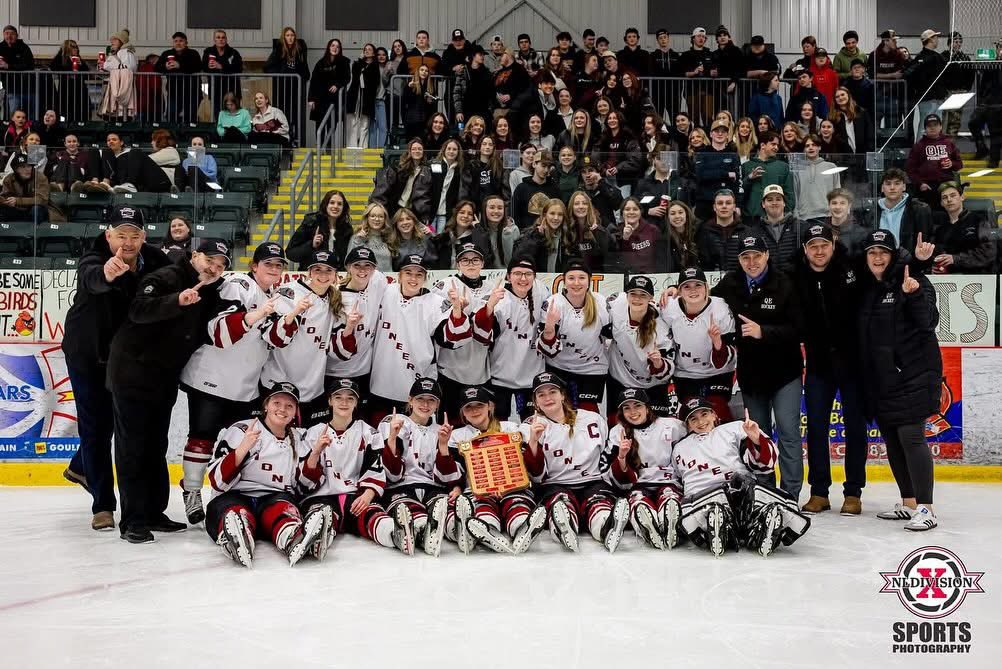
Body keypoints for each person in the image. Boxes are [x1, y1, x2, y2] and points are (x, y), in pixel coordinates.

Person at [107, 239, 230, 543]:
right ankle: (133, 520)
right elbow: (137, 309)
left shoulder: (212, 290)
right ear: (195, 255)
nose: (214, 268)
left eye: (221, 264)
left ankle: (153, 512)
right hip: (132, 374)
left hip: (163, 379)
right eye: (209, 260)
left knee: (154, 446)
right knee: (132, 448)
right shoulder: (165, 278)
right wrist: (176, 300)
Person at [60, 206, 170, 531]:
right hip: (88, 356)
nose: (128, 241)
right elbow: (92, 278)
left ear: (143, 236)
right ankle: (103, 505)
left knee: (126, 426)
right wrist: (108, 273)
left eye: (134, 234)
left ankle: (82, 466)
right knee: (97, 427)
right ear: (108, 235)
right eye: (121, 234)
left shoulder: (155, 259)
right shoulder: (94, 257)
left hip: (126, 358)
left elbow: (178, 279)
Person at [177, 242, 292, 524]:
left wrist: (290, 318)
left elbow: (275, 339)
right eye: (268, 264)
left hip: (246, 385)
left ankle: (232, 494)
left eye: (278, 265)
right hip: (211, 378)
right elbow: (220, 333)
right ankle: (192, 490)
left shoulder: (275, 296)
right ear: (254, 266)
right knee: (202, 436)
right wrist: (256, 315)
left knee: (241, 443)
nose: (274, 270)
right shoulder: (238, 284)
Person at [858, 230, 942, 530]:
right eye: (872, 252)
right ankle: (908, 503)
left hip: (914, 372)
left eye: (883, 251)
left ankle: (926, 507)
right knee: (892, 439)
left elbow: (929, 321)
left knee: (911, 437)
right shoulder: (871, 288)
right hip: (883, 378)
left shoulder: (912, 279)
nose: (878, 257)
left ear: (893, 255)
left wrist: (915, 293)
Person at [713, 235, 805, 500]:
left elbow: (799, 328)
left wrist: (763, 331)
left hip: (785, 373)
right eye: (745, 257)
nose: (751, 262)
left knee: (788, 433)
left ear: (767, 255)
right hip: (752, 376)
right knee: (757, 437)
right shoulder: (731, 283)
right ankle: (764, 492)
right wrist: (674, 291)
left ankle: (790, 494)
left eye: (756, 255)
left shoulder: (785, 283)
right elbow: (704, 301)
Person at [205, 382, 325, 567]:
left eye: (289, 406)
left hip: (274, 498)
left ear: (295, 412)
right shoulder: (242, 429)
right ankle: (237, 533)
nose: (282, 409)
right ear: (266, 405)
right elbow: (216, 481)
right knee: (233, 512)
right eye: (277, 403)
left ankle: (291, 535)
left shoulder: (299, 438)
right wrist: (243, 449)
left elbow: (304, 488)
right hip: (234, 496)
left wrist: (315, 455)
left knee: (283, 510)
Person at [673, 398, 810, 557]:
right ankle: (725, 528)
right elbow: (677, 481)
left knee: (757, 492)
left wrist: (756, 440)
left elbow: (765, 466)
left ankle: (760, 528)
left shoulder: (734, 429)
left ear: (714, 414)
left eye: (704, 414)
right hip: (703, 498)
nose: (700, 421)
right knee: (695, 507)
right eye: (693, 418)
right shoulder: (679, 448)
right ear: (687, 424)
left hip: (738, 492)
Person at [793, 224, 868, 516]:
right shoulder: (796, 275)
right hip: (819, 366)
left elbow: (885, 267)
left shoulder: (852, 269)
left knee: (855, 429)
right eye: (813, 246)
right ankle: (819, 492)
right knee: (816, 430)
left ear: (833, 244)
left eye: (824, 244)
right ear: (805, 250)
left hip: (852, 365)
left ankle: (853, 492)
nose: (819, 250)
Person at [297, 379, 413, 561]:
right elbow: (303, 483)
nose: (344, 402)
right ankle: (317, 538)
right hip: (322, 496)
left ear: (356, 403)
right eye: (338, 397)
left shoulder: (368, 432)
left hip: (354, 495)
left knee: (371, 514)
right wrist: (316, 452)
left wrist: (368, 494)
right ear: (330, 401)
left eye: (350, 398)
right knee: (321, 515)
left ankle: (395, 534)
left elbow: (375, 468)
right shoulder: (314, 432)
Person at [520, 371, 629, 552]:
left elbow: (605, 456)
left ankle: (605, 528)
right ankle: (564, 527)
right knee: (560, 504)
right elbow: (537, 477)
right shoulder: (529, 426)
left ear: (563, 395)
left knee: (599, 502)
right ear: (536, 401)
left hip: (592, 482)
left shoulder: (592, 419)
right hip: (555, 485)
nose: (548, 398)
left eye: (552, 392)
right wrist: (533, 442)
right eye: (541, 394)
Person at [261, 250, 361, 426]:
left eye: (328, 270)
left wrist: (350, 328)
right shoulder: (289, 292)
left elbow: (339, 353)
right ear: (309, 272)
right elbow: (273, 339)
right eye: (317, 270)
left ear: (336, 275)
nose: (323, 275)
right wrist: (296, 312)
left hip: (313, 389)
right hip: (279, 383)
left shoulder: (333, 300)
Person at [445, 386, 548, 554]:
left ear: (490, 406)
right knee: (482, 507)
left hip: (513, 487)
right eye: (468, 407)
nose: (474, 410)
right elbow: (456, 471)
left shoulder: (511, 428)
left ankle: (523, 529)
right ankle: (488, 531)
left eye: (479, 405)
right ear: (463, 412)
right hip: (479, 490)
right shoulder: (457, 436)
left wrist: (533, 443)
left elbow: (530, 468)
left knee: (517, 504)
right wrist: (455, 487)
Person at [368, 254, 471, 419]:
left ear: (426, 277)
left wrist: (457, 311)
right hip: (381, 382)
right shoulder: (386, 292)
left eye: (419, 274)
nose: (413, 278)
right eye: (408, 273)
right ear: (399, 275)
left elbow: (451, 341)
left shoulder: (436, 302)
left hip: (418, 383)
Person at [377, 377, 457, 557]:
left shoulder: (442, 430)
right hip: (401, 487)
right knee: (410, 511)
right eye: (420, 398)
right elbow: (392, 475)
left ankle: (455, 528)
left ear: (438, 405)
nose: (426, 404)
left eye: (431, 400)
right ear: (410, 400)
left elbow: (445, 478)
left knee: (443, 505)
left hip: (432, 488)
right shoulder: (394, 422)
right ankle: (421, 529)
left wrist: (443, 446)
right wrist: (391, 439)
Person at [606, 388, 686, 549]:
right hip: (637, 485)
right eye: (626, 408)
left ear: (647, 407)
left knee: (669, 499)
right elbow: (620, 480)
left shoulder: (671, 425)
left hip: (668, 482)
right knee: (639, 502)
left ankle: (670, 525)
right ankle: (649, 528)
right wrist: (621, 456)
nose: (632, 412)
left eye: (637, 406)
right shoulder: (618, 432)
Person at [472, 257, 549, 420]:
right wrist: (489, 307)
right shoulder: (499, 298)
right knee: (498, 430)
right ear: (508, 276)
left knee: (531, 429)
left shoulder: (542, 293)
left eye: (528, 274)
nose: (523, 278)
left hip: (532, 379)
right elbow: (481, 335)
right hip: (500, 378)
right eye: (517, 273)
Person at [661, 267, 737, 420]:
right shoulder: (669, 308)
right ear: (679, 291)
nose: (693, 290)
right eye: (687, 286)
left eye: (698, 285)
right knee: (691, 417)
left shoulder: (721, 309)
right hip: (686, 374)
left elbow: (728, 354)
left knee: (718, 413)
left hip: (718, 374)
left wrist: (717, 343)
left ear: (706, 287)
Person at [537, 259, 610, 412]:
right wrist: (549, 327)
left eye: (582, 278)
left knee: (588, 414)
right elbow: (548, 350)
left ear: (589, 281)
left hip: (592, 369)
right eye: (571, 278)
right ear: (564, 281)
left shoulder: (601, 303)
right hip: (559, 368)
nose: (576, 283)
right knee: (561, 413)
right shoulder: (553, 303)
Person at [605, 276, 674, 420]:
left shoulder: (660, 326)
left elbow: (667, 370)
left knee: (655, 431)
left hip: (652, 386)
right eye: (633, 294)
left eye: (643, 295)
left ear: (651, 298)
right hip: (619, 381)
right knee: (618, 429)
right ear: (626, 295)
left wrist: (658, 363)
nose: (637, 299)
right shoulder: (616, 307)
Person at [931, 181, 997, 274]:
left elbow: (989, 252)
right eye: (944, 198)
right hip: (949, 279)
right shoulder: (940, 229)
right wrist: (934, 266)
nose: (949, 200)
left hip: (977, 278)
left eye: (953, 195)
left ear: (962, 197)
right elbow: (936, 255)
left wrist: (956, 259)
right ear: (942, 203)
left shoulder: (979, 221)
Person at [868, 167, 933, 254]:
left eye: (897, 183)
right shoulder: (872, 211)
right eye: (888, 184)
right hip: (879, 261)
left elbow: (927, 241)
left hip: (910, 262)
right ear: (882, 188)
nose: (892, 187)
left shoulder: (920, 209)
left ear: (904, 187)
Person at [905, 114, 962, 210]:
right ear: (925, 128)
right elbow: (910, 169)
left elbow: (959, 164)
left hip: (946, 186)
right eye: (929, 126)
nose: (932, 128)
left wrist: (952, 164)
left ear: (940, 127)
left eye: (935, 125)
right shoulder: (918, 146)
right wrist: (920, 183)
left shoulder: (949, 143)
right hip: (927, 187)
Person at [285, 189, 352, 270]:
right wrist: (311, 245)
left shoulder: (347, 229)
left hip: (336, 277)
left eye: (339, 204)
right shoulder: (311, 222)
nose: (335, 206)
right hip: (311, 276)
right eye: (332, 202)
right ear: (325, 204)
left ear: (343, 207)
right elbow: (291, 254)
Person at [264, 27, 310, 141]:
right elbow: (267, 67)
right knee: (282, 113)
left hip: (296, 88)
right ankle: (283, 137)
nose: (290, 38)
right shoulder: (279, 50)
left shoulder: (299, 51)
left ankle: (295, 138)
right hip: (282, 88)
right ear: (284, 37)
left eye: (292, 35)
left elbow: (305, 69)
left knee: (296, 113)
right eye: (288, 35)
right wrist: (281, 74)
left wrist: (303, 77)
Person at [370, 138, 433, 221]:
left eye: (419, 149)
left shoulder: (427, 170)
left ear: (423, 152)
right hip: (397, 207)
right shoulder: (398, 167)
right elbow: (384, 189)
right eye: (413, 149)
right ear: (409, 151)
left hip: (414, 210)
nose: (417, 151)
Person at [693, 118, 741, 220]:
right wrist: (726, 174)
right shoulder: (702, 153)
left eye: (723, 131)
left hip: (726, 203)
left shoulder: (733, 154)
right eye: (716, 131)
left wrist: (737, 205)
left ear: (728, 135)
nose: (720, 134)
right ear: (710, 134)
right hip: (705, 203)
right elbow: (701, 175)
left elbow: (737, 182)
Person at [741, 131, 795, 219]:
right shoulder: (746, 166)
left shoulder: (783, 167)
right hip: (751, 218)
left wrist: (785, 214)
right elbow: (740, 193)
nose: (776, 148)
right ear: (763, 145)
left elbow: (789, 194)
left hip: (776, 219)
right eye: (773, 144)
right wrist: (749, 178)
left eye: (777, 145)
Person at [905, 30, 948, 139]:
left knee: (937, 127)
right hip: (927, 98)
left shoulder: (937, 57)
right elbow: (909, 74)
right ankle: (920, 150)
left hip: (937, 97)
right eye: (935, 38)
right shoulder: (922, 58)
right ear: (931, 39)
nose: (937, 40)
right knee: (925, 126)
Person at [308, 39, 351, 144]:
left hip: (334, 99)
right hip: (320, 98)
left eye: (337, 46)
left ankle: (328, 149)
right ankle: (320, 148)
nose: (335, 48)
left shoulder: (344, 61)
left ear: (340, 49)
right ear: (328, 47)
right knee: (320, 125)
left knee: (332, 125)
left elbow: (347, 78)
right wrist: (311, 99)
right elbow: (313, 81)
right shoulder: (321, 63)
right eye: (332, 45)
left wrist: (338, 85)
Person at [0, 153, 63, 222]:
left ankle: (37, 231)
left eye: (29, 166)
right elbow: (5, 196)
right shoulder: (8, 179)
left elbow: (42, 200)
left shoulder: (40, 177)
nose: (27, 169)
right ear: (16, 169)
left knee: (36, 209)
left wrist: (17, 201)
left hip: (37, 209)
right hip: (17, 209)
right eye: (23, 167)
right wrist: (4, 200)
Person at [155, 32, 202, 124]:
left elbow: (197, 66)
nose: (178, 43)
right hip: (174, 92)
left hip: (192, 91)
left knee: (190, 116)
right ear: (173, 43)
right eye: (175, 41)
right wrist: (165, 66)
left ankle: (189, 136)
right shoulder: (167, 53)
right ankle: (173, 136)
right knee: (171, 115)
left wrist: (179, 65)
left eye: (181, 41)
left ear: (186, 43)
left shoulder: (193, 53)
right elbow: (157, 67)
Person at [677, 27, 718, 128]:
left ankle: (708, 137)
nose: (701, 38)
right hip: (692, 91)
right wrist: (694, 72)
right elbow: (683, 73)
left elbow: (715, 71)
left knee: (707, 117)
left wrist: (713, 73)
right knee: (694, 117)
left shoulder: (711, 54)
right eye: (699, 36)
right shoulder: (686, 55)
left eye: (703, 37)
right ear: (693, 38)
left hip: (708, 90)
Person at [793, 136, 839, 221]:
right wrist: (796, 215)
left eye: (813, 145)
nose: (810, 148)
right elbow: (795, 193)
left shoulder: (831, 167)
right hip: (804, 217)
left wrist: (835, 213)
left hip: (827, 215)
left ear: (819, 147)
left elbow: (837, 192)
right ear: (804, 150)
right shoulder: (797, 169)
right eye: (807, 146)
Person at [512, 149, 560, 229]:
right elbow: (515, 215)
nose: (546, 170)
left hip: (549, 234)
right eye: (543, 166)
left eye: (549, 167)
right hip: (526, 236)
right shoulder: (521, 188)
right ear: (534, 164)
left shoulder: (555, 188)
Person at [612, 197, 661, 273]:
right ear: (622, 213)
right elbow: (620, 261)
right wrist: (625, 239)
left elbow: (660, 257)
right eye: (627, 209)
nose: (631, 212)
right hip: (627, 276)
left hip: (651, 276)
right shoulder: (616, 232)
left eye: (635, 209)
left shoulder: (653, 230)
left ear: (641, 212)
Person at [345, 43, 380, 148]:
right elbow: (355, 77)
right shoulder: (356, 64)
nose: (367, 51)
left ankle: (363, 147)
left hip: (367, 98)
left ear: (373, 53)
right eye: (365, 49)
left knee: (364, 124)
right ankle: (351, 146)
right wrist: (361, 61)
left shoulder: (375, 66)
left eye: (370, 49)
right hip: (354, 97)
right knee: (352, 123)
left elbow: (375, 82)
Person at [48, 40, 90, 121]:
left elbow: (87, 73)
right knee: (64, 111)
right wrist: (62, 52)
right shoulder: (61, 59)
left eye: (76, 47)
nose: (76, 49)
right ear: (67, 49)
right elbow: (53, 66)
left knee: (81, 111)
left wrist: (81, 64)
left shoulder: (79, 59)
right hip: (66, 90)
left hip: (79, 90)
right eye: (73, 47)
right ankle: (65, 127)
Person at [202, 30, 243, 112]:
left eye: (223, 37)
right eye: (218, 37)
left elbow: (239, 68)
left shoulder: (233, 52)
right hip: (215, 89)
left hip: (232, 89)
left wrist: (221, 66)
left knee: (233, 115)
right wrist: (208, 66)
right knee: (217, 115)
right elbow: (203, 67)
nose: (221, 39)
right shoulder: (208, 52)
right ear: (214, 40)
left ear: (226, 39)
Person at [459, 135, 507, 205]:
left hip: (493, 207)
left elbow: (503, 191)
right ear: (480, 146)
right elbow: (464, 190)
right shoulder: (471, 165)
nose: (487, 147)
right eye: (484, 144)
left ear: (493, 148)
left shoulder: (499, 166)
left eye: (490, 145)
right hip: (474, 207)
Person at [347, 203, 396, 272]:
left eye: (380, 216)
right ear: (367, 218)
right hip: (365, 280)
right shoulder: (357, 238)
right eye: (373, 216)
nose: (377, 219)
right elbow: (348, 264)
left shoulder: (389, 238)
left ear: (385, 219)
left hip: (386, 281)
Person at [452, 46, 493, 125]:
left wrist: (490, 109)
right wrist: (459, 111)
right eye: (480, 55)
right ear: (473, 56)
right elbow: (457, 92)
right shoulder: (464, 71)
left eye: (483, 55)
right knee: (465, 133)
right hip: (467, 110)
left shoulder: (486, 72)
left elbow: (491, 93)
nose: (483, 57)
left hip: (483, 111)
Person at [824, 188, 869, 259]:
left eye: (842, 203)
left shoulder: (860, 233)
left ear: (849, 206)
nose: (838, 207)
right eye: (834, 203)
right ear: (829, 205)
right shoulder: (822, 230)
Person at [0, 25, 34, 117]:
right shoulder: (0, 47)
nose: (9, 36)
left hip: (28, 88)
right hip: (11, 89)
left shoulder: (24, 47)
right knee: (14, 115)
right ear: (3, 35)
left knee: (30, 115)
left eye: (12, 34)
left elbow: (29, 65)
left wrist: (8, 66)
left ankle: (30, 131)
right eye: (7, 34)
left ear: (17, 35)